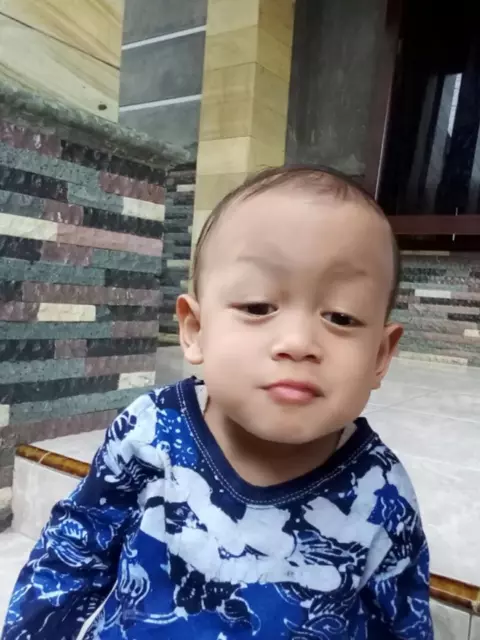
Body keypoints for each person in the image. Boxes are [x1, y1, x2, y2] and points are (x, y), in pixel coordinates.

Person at [2, 166, 433, 639]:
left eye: (341, 316)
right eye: (258, 307)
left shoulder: (382, 494)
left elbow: (403, 626)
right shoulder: (151, 432)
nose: (298, 342)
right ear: (195, 330)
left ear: (380, 356)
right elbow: (72, 555)